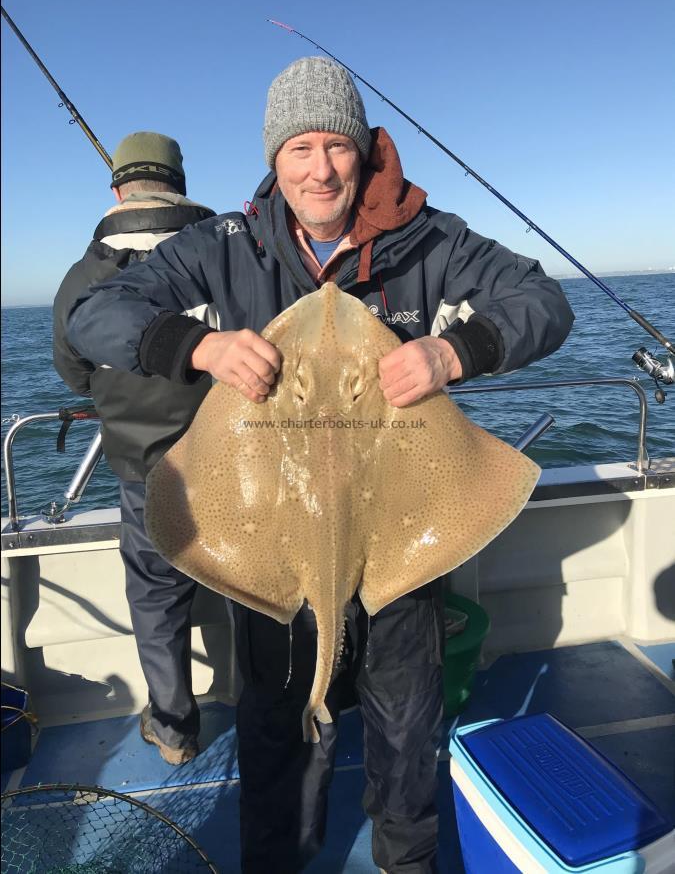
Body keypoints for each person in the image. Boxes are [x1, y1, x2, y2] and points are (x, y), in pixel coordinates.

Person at [67, 59, 574, 872]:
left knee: (407, 737)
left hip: (399, 547)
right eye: (299, 148)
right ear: (275, 160)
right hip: (272, 542)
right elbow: (94, 313)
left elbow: (543, 303)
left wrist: (452, 352)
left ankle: (406, 861)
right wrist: (196, 343)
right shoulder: (223, 247)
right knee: (275, 737)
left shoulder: (431, 241)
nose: (319, 168)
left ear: (363, 151)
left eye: (335, 145)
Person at [53, 132, 216, 765]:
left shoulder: (80, 277)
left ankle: (174, 728)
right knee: (258, 585)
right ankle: (278, 705)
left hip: (143, 469)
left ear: (118, 190)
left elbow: (75, 372)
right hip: (235, 464)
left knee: (155, 595)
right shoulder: (227, 257)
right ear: (178, 183)